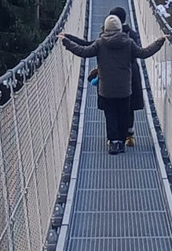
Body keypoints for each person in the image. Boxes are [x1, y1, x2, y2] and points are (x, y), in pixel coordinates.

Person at [59, 14, 165, 154]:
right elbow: (144, 53)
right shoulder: (129, 43)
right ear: (120, 28)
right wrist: (160, 41)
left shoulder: (99, 43)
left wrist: (66, 42)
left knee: (110, 115)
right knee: (123, 114)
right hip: (124, 89)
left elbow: (83, 51)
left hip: (106, 89)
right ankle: (122, 140)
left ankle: (113, 143)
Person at [65, 6, 143, 147]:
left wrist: (67, 39)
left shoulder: (104, 38)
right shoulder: (131, 36)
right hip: (131, 74)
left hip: (109, 77)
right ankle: (128, 135)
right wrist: (160, 42)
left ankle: (114, 139)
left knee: (111, 109)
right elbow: (140, 52)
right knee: (128, 105)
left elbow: (87, 47)